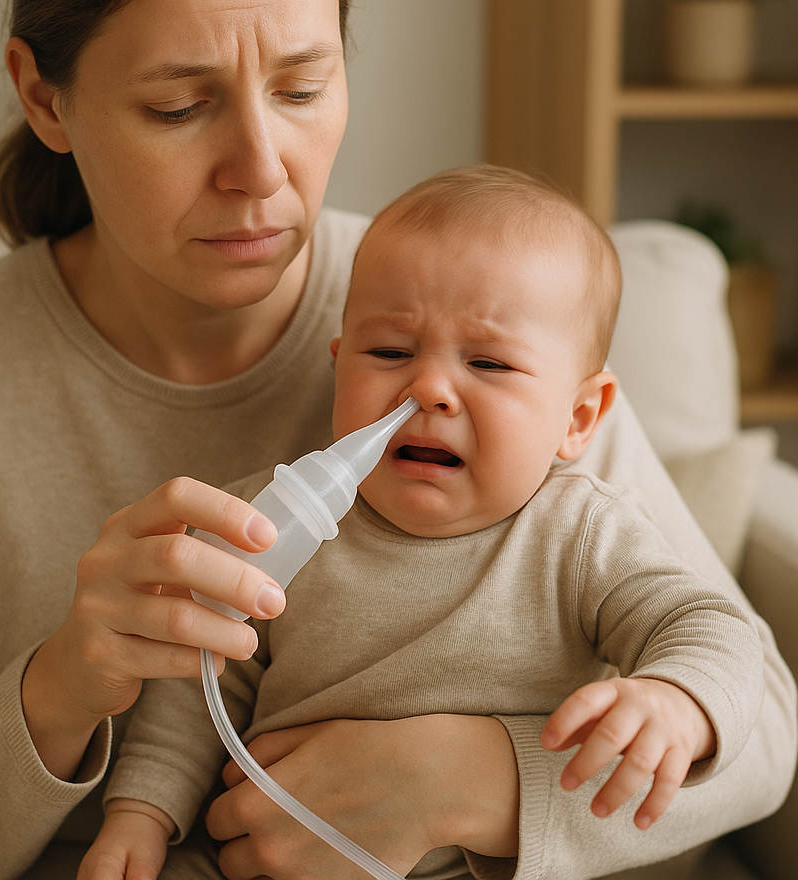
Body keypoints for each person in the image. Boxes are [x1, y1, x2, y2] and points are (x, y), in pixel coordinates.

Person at [0, 0, 794, 880]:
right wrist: (62, 684)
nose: (263, 168)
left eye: (302, 86)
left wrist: (469, 780)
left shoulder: (483, 315)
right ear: (44, 97)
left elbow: (755, 727)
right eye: (179, 107)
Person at [83, 166, 765, 879]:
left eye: (490, 362)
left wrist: (678, 703)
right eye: (390, 353)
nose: (430, 388)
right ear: (340, 367)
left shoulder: (581, 535)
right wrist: (141, 815)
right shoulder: (274, 522)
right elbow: (200, 685)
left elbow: (710, 628)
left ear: (579, 416)